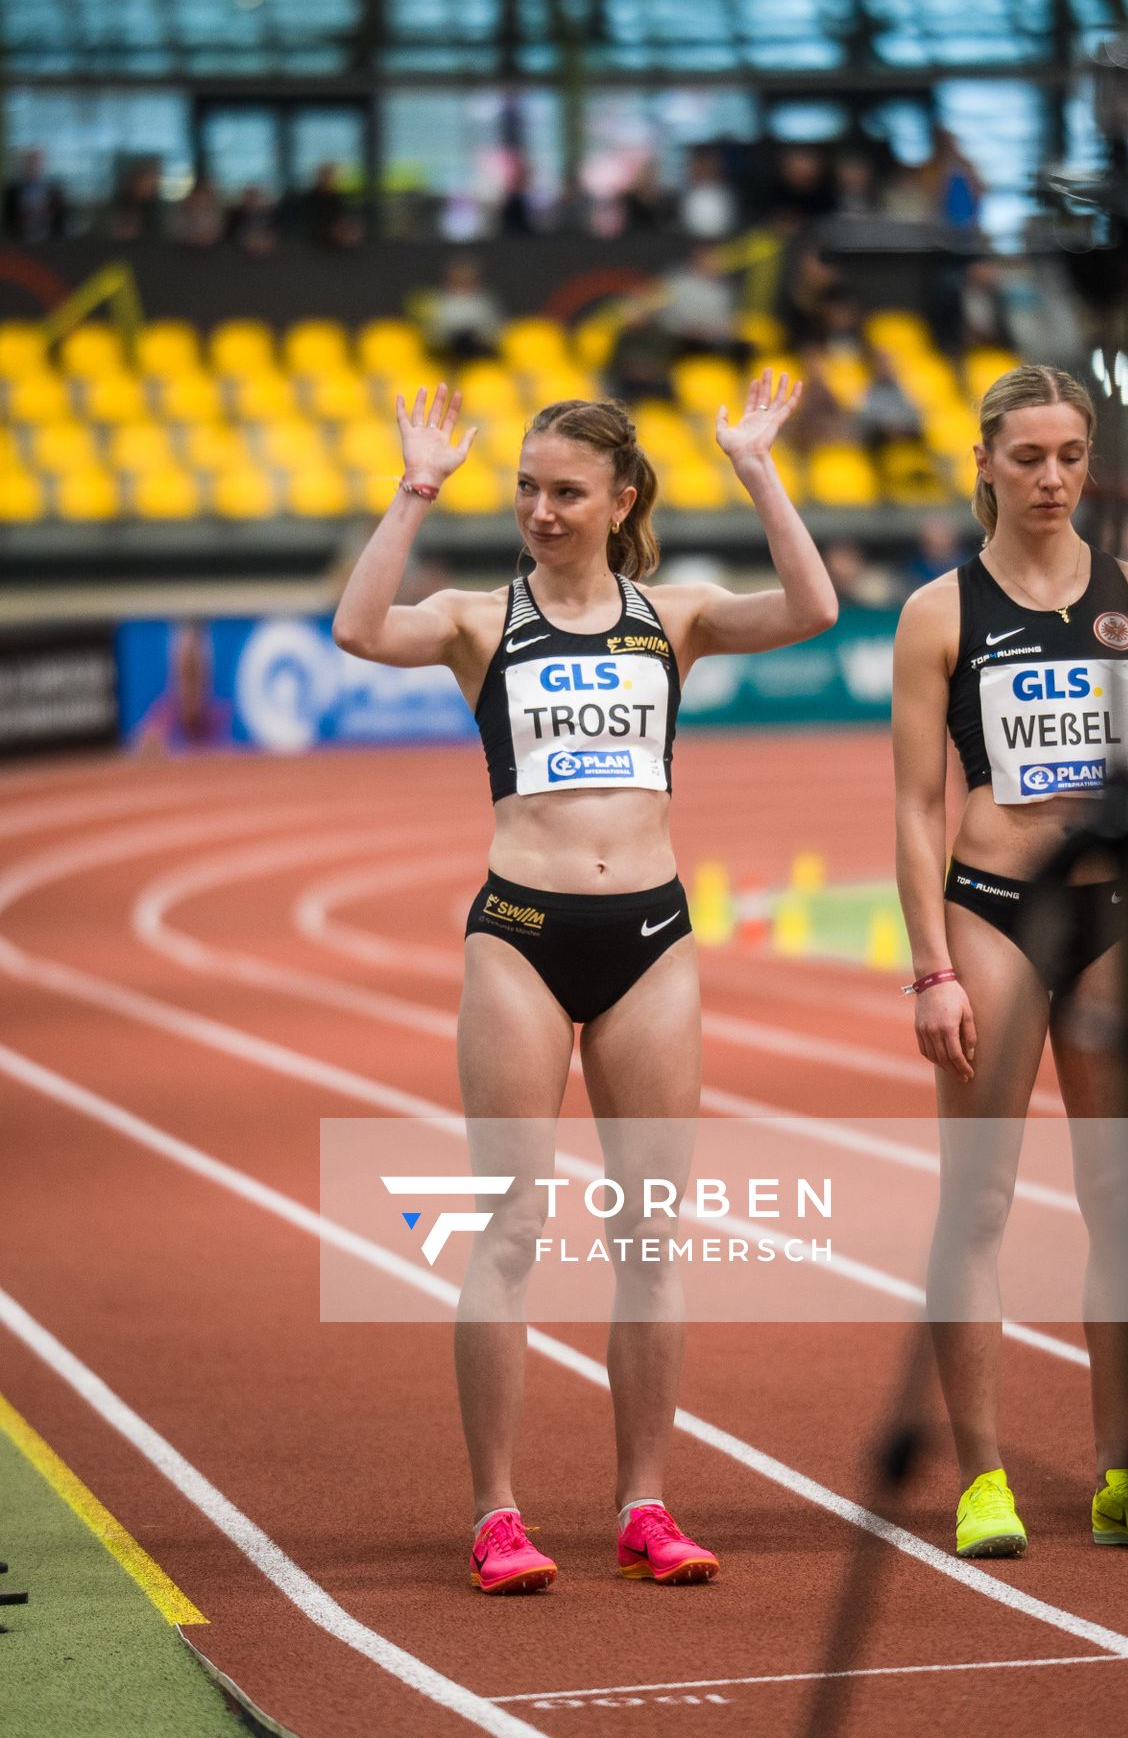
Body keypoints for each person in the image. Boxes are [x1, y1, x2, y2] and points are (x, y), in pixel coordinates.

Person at [332, 371, 837, 1595]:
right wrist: (414, 489)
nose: (538, 510)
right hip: (518, 928)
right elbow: (356, 630)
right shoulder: (472, 619)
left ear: (619, 500)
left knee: (650, 1239)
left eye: (565, 491)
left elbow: (814, 606)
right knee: (508, 1227)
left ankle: (644, 1507)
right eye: (525, 488)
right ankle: (497, 1514)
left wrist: (758, 467)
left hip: (650, 937)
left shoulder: (675, 616)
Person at [892, 362, 1128, 1561]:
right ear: (981, 460)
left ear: (1092, 462)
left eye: (1068, 456)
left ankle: (1125, 1475)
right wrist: (928, 963)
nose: (1048, 478)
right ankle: (981, 1476)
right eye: (1024, 456)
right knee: (975, 1202)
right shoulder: (939, 612)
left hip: (1119, 918)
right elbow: (916, 807)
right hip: (990, 909)